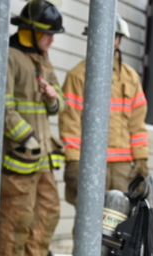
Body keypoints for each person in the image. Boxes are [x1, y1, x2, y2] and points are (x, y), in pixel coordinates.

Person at [0, 0, 67, 256]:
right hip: (19, 155)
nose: (51, 41)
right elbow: (1, 104)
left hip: (43, 157)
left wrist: (53, 98)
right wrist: (27, 138)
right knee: (17, 215)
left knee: (47, 211)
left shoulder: (42, 57)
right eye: (48, 34)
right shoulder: (8, 57)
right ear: (31, 31)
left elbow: (60, 102)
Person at [59, 14, 148, 206]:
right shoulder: (78, 75)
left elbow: (137, 122)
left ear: (119, 39)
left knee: (120, 221)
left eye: (114, 36)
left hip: (123, 167)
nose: (110, 41)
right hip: (90, 163)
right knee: (88, 219)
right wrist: (74, 161)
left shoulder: (130, 76)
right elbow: (70, 122)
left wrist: (141, 159)